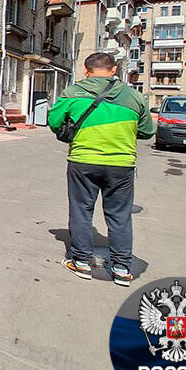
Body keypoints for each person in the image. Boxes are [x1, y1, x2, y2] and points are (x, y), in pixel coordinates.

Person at [47, 52, 154, 287]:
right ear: (114, 70)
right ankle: (122, 267)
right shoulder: (134, 96)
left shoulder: (74, 92)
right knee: (120, 216)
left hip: (83, 160)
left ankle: (82, 261)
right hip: (121, 163)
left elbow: (54, 121)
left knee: (81, 211)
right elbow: (147, 131)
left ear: (86, 71)